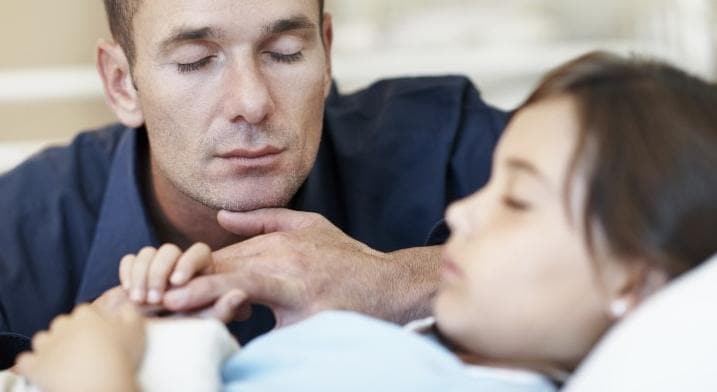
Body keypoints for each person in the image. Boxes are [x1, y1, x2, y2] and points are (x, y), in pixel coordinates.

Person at [8, 51, 717, 391]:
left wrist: (95, 375)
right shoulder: (27, 221)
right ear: (121, 84)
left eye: (517, 198)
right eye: (195, 59)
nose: (461, 208)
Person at [0, 0, 507, 365]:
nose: (252, 102)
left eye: (284, 52)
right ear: (120, 83)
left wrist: (398, 281)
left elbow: (588, 233)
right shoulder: (15, 235)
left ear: (326, 54)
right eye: (195, 61)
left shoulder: (441, 142)